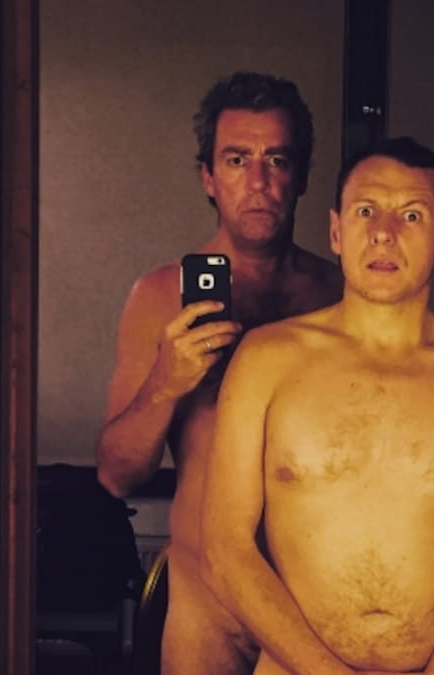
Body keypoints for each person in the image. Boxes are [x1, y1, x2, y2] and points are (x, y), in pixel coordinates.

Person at [200, 137, 434, 675]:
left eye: (412, 214)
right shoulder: (267, 360)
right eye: (365, 211)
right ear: (336, 231)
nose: (383, 232)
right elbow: (225, 550)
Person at [95, 72, 342, 674]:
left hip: (319, 604)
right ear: (208, 176)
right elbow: (117, 475)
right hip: (205, 608)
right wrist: (166, 382)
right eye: (237, 160)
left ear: (301, 175)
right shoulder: (161, 296)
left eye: (276, 160)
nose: (258, 182)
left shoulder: (342, 294)